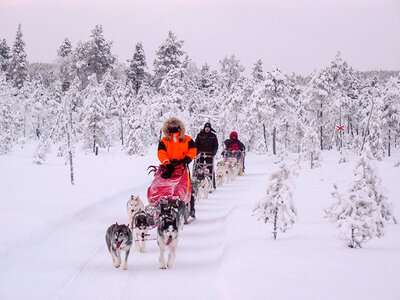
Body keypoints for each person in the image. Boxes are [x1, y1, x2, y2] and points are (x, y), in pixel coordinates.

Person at [157, 117, 198, 218]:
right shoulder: (164, 141)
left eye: (175, 127)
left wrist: (187, 159)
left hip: (182, 167)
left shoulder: (187, 139)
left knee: (187, 187)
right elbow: (161, 153)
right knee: (164, 187)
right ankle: (164, 205)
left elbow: (193, 150)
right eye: (171, 127)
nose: (173, 129)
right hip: (168, 167)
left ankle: (191, 207)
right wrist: (167, 163)